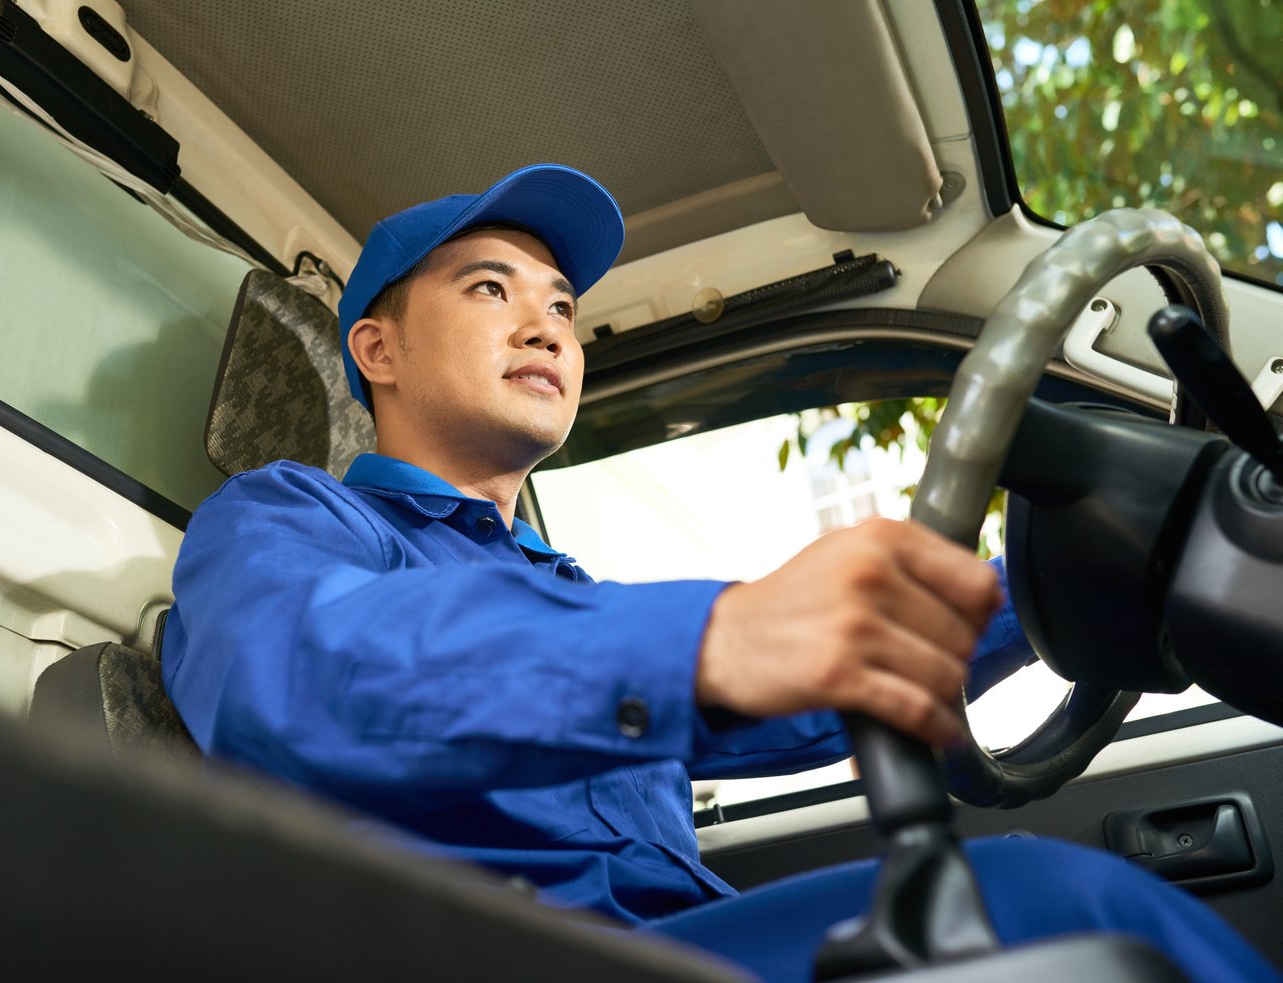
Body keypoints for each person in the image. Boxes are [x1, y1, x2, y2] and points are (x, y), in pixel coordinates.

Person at [163, 164, 1277, 981]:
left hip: (677, 940)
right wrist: (717, 636)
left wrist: (1044, 596)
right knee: (1053, 907)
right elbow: (300, 676)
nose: (547, 326)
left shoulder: (566, 587)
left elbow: (784, 692)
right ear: (378, 349)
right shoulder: (281, 518)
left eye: (562, 305)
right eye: (490, 290)